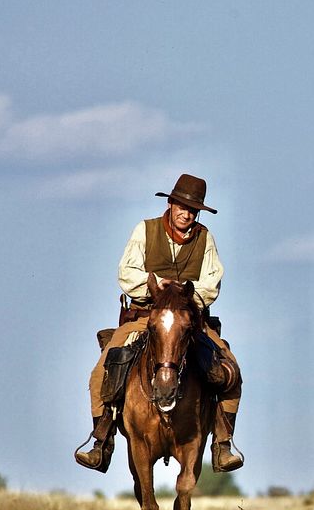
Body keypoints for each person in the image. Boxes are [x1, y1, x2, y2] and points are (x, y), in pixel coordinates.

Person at [75, 173, 244, 473]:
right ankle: (101, 440)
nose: (186, 213)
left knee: (229, 369)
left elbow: (211, 283)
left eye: (192, 209)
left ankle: (222, 443)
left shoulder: (206, 240)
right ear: (171, 203)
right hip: (144, 316)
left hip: (188, 320)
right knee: (101, 371)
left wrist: (183, 298)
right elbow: (127, 272)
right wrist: (156, 288)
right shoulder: (145, 230)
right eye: (182, 206)